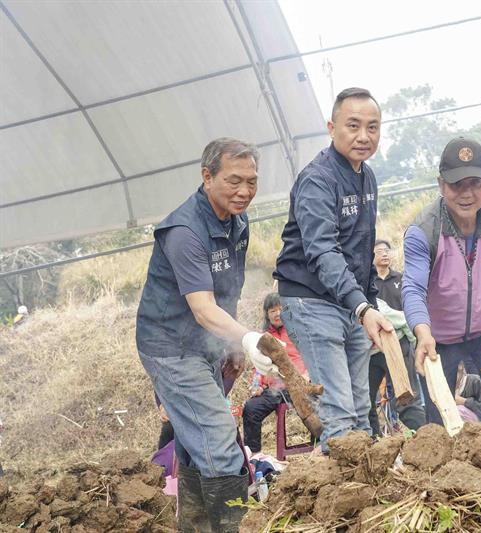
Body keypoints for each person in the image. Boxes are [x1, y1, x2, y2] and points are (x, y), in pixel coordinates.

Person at [135, 138, 272, 532]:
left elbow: (227, 289)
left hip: (204, 344)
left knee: (197, 448)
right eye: (234, 181)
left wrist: (231, 344)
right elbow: (202, 307)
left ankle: (194, 527)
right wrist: (246, 337)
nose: (244, 191)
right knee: (221, 446)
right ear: (207, 177)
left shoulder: (238, 221)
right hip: (171, 347)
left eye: (251, 182)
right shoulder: (184, 230)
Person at [273, 88, 394, 451]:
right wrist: (362, 307)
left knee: (361, 410)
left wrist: (369, 304)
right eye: (353, 125)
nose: (363, 136)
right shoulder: (317, 179)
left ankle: (366, 480)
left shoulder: (367, 176)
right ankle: (340, 483)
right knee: (339, 413)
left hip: (350, 303)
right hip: (311, 301)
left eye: (372, 127)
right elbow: (322, 250)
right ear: (331, 128)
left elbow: (363, 244)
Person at [403, 137, 481, 426]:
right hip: (437, 339)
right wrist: (423, 333)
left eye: (475, 184)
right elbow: (413, 289)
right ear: (441, 184)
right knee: (438, 421)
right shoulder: (424, 231)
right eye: (457, 184)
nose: (467, 194)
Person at [367, 240, 426, 436]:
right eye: (379, 251)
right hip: (373, 349)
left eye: (387, 250)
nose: (385, 254)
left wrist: (414, 342)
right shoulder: (368, 282)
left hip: (399, 344)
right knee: (366, 400)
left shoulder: (401, 279)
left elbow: (408, 313)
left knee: (406, 396)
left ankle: (428, 436)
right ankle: (373, 439)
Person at [242, 293, 309, 454]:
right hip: (276, 389)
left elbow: (311, 355)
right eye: (272, 311)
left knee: (318, 405)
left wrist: (308, 374)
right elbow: (258, 367)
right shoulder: (263, 338)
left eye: (280, 309)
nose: (277, 314)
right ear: (267, 314)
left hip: (301, 383)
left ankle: (321, 444)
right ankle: (254, 454)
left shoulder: (298, 331)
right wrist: (257, 385)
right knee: (251, 408)